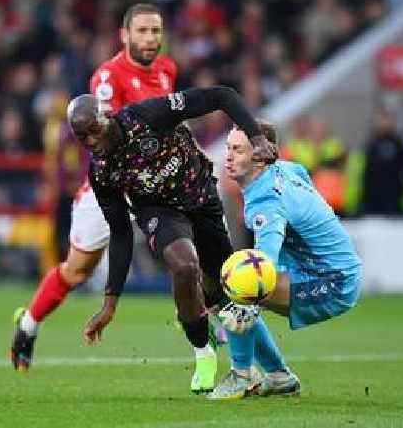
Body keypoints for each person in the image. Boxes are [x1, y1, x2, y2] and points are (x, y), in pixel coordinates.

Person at [66, 86, 276, 394]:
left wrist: (256, 136)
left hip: (201, 196)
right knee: (184, 265)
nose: (91, 142)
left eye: (94, 131)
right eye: (82, 137)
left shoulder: (148, 115)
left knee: (229, 291)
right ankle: (203, 351)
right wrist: (110, 304)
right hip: (159, 212)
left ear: (106, 117)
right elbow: (121, 233)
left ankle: (275, 371)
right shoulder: (101, 172)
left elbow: (222, 96)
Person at [10, 4, 178, 370]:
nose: (150, 39)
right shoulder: (108, 77)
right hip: (111, 188)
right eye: (142, 31)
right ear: (125, 35)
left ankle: (213, 337)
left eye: (155, 31)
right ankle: (28, 324)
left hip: (154, 184)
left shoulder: (168, 70)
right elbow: (104, 138)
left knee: (185, 254)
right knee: (76, 271)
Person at [207, 123, 362, 400]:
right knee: (233, 287)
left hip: (333, 281)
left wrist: (243, 308)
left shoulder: (266, 200)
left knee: (238, 284)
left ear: (261, 157)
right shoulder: (288, 169)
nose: (228, 157)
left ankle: (241, 375)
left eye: (237, 150)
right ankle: (278, 377)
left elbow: (262, 268)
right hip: (317, 269)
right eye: (228, 148)